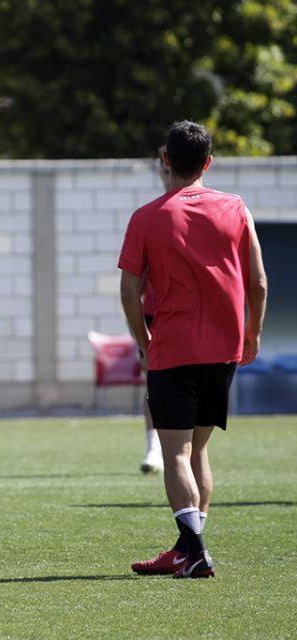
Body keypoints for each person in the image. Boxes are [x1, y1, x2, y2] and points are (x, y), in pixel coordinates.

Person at [120, 120, 267, 579]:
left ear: (166, 161)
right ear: (207, 162)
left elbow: (128, 291)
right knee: (198, 450)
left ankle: (196, 550)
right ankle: (186, 551)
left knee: (176, 454)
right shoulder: (236, 207)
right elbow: (258, 282)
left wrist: (143, 342)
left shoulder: (147, 216)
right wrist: (252, 335)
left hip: (173, 349)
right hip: (223, 349)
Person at [136, 146, 170, 474]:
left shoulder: (217, 208)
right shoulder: (149, 217)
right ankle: (154, 448)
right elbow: (134, 283)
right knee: (154, 384)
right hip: (155, 316)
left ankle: (185, 451)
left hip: (193, 317)